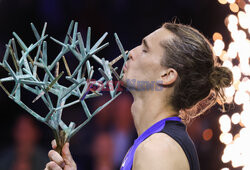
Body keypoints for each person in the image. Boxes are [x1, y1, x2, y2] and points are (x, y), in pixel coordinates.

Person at [44, 22, 233, 170]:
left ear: (167, 75)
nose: (131, 53)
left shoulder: (157, 149)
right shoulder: (155, 142)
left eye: (145, 49)